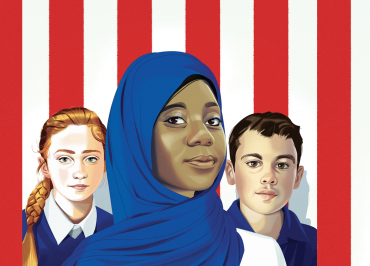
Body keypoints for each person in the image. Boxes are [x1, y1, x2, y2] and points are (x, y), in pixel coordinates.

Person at [63, 52, 286, 265]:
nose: (204, 136)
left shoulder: (262, 255)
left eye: (213, 121)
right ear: (135, 138)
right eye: (176, 120)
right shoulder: (93, 261)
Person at [22, 107, 114, 266]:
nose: (79, 172)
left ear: (105, 164)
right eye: (64, 159)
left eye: (91, 159)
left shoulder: (118, 231)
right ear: (45, 166)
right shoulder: (17, 230)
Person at [225, 112, 317, 266]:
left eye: (282, 165)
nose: (269, 177)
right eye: (253, 163)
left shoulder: (317, 245)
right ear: (230, 172)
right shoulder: (207, 240)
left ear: (297, 177)